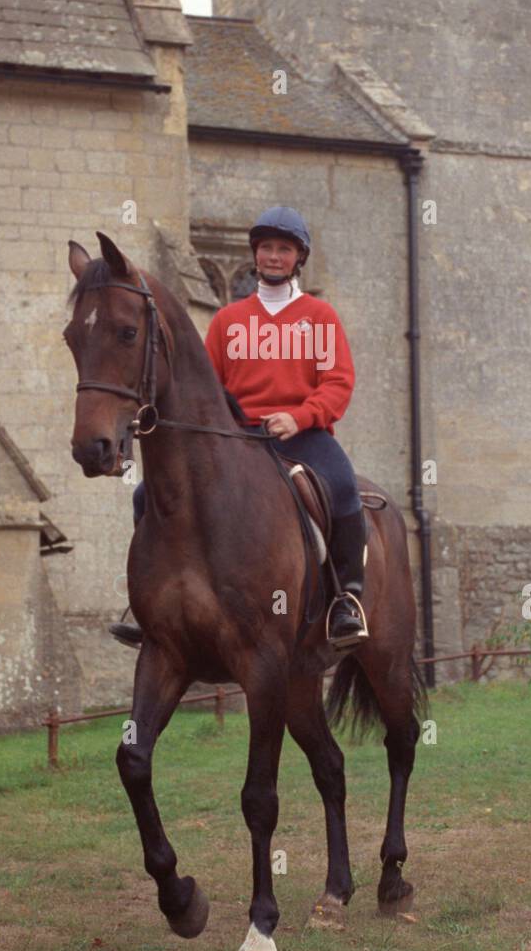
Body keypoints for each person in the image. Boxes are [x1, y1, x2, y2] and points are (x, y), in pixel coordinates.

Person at [110, 206, 369, 651]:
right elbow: (203, 386)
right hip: (236, 437)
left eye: (283, 249)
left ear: (298, 257)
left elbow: (338, 383)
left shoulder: (319, 316)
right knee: (144, 495)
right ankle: (148, 601)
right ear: (255, 254)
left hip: (301, 436)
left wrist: (300, 416)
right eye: (266, 247)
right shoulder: (229, 320)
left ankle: (346, 599)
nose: (273, 256)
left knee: (344, 488)